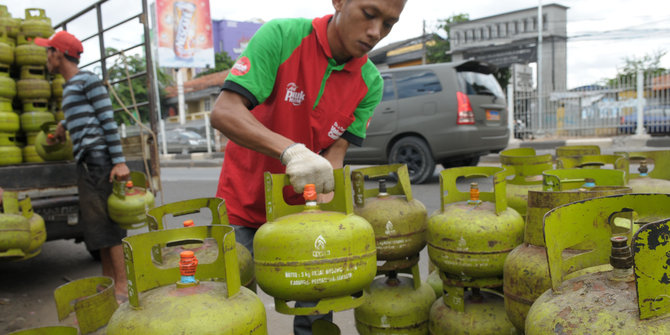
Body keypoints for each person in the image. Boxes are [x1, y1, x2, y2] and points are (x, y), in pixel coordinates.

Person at [210, 0, 406, 333]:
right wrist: (290, 151)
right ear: (339, 2)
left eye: (388, 24)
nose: (375, 32)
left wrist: (332, 220)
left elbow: (335, 155)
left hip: (306, 215)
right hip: (244, 203)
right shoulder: (283, 37)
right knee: (233, 311)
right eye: (369, 14)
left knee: (318, 309)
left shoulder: (370, 82)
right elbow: (224, 111)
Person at [34, 31, 130, 302]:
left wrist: (119, 161)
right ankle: (109, 282)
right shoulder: (70, 87)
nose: (46, 58)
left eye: (48, 52)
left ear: (58, 53)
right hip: (87, 163)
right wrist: (64, 127)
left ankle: (122, 288)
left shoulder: (88, 81)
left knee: (109, 226)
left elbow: (107, 120)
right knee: (97, 227)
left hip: (99, 161)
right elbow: (81, 114)